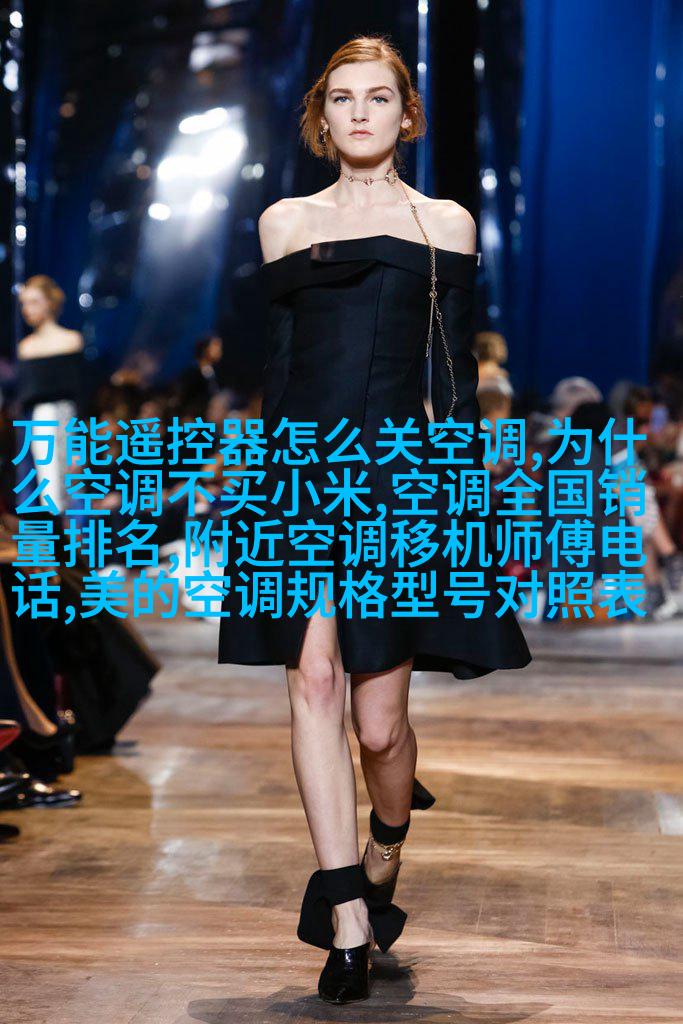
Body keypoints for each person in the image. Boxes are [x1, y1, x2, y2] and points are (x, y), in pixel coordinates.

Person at [217, 35, 532, 1003]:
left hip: (400, 478)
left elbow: (452, 381)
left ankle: (386, 842)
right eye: (343, 97)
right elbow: (279, 370)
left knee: (380, 726)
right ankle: (346, 915)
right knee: (311, 678)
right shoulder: (284, 222)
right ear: (322, 116)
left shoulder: (442, 222)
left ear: (406, 113)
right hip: (299, 475)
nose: (360, 112)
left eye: (378, 97)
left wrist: (463, 507)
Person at [16, 275, 84, 514]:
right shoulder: (25, 348)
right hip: (38, 422)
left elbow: (81, 394)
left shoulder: (72, 341)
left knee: (74, 484)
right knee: (47, 487)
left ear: (49, 302)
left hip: (68, 418)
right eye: (24, 303)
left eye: (34, 301)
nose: (28, 309)